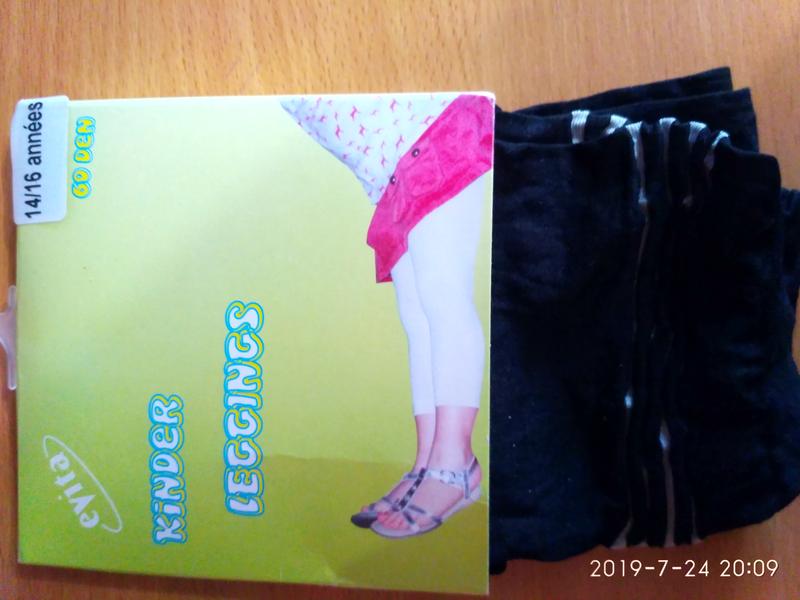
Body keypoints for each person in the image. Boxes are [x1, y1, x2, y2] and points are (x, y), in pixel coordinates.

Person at [281, 92, 493, 537]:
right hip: (390, 173)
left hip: (431, 136)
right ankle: (428, 462)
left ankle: (454, 464)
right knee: (418, 320)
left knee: (442, 296)